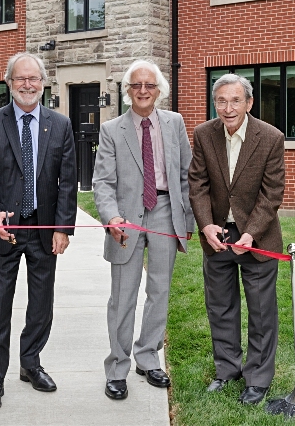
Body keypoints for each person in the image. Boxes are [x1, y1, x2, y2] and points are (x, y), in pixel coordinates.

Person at [0, 52, 78, 413]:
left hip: (44, 230)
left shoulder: (60, 124)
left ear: (43, 82)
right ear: (9, 82)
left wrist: (63, 228)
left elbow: (68, 183)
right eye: (21, 79)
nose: (28, 85)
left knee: (41, 303)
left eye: (34, 78)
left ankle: (30, 363)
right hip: (5, 232)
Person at [92, 60, 194, 401]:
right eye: (136, 85)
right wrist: (111, 218)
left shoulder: (174, 123)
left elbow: (186, 175)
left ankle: (148, 357)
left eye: (149, 85)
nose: (143, 90)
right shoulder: (111, 130)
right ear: (127, 91)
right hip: (127, 218)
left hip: (165, 211)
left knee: (159, 290)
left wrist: (187, 220)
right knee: (122, 297)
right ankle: (117, 367)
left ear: (159, 89)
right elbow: (102, 183)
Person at [188, 73, 285, 406]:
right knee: (221, 308)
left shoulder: (271, 137)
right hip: (218, 236)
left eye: (235, 100)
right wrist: (205, 225)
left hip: (257, 238)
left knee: (261, 312)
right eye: (221, 101)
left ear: (249, 102)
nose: (228, 108)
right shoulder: (203, 134)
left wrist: (250, 233)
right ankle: (227, 370)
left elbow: (272, 194)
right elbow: (197, 184)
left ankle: (257, 378)